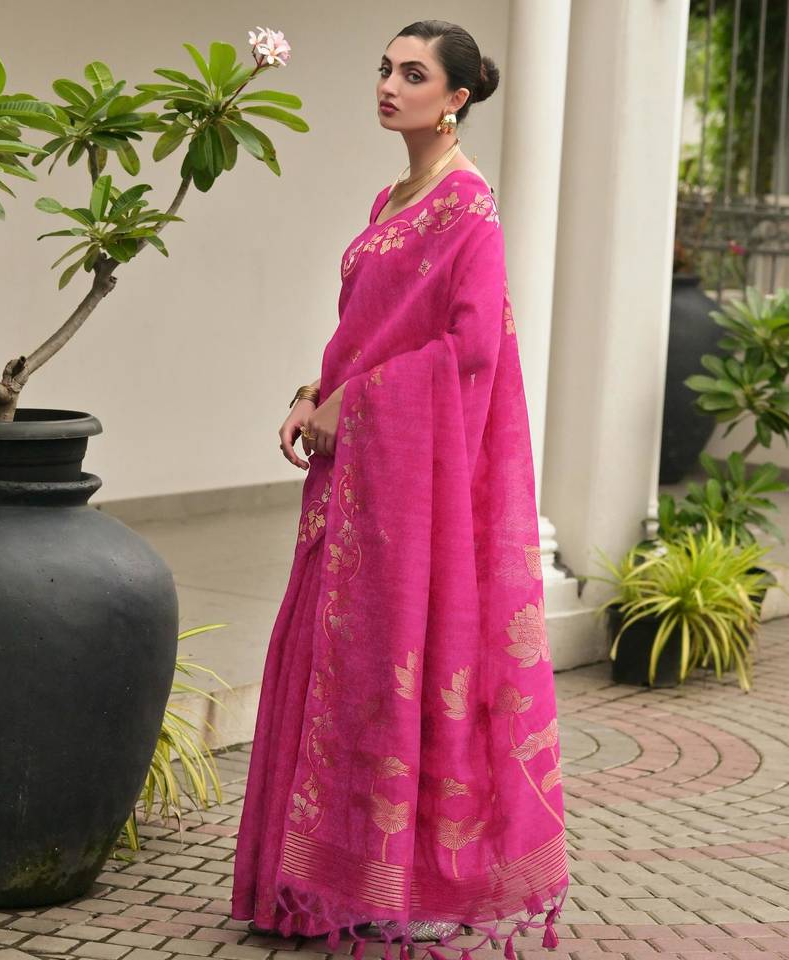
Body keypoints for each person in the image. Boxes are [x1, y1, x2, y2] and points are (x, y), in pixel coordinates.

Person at [231, 19, 570, 960]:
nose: (389, 84)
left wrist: (360, 401)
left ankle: (396, 884)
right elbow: (365, 334)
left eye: (413, 74)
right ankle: (311, 885)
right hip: (352, 479)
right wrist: (313, 394)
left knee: (396, 674)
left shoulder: (470, 209)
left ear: (456, 97)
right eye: (385, 68)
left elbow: (471, 347)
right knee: (333, 667)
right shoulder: (391, 196)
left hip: (409, 483)